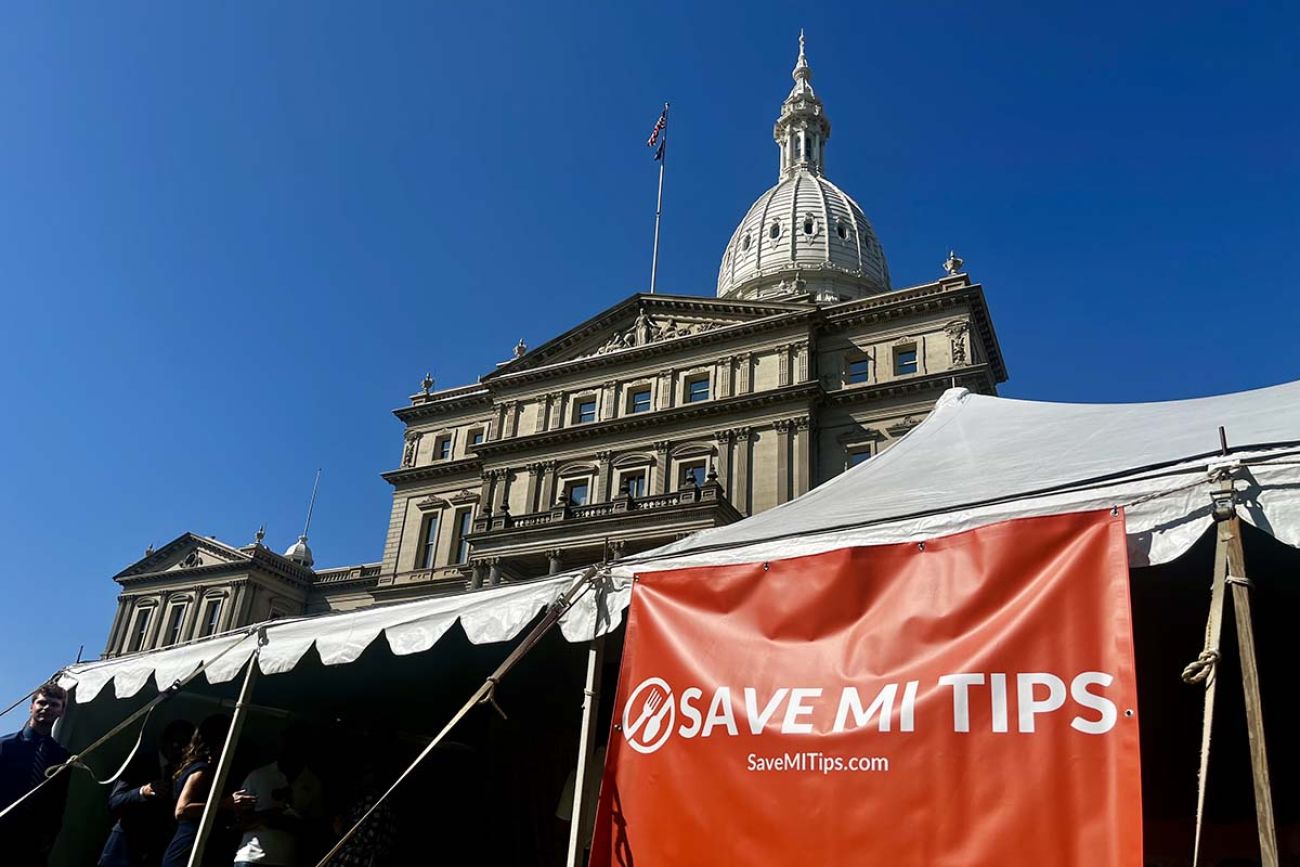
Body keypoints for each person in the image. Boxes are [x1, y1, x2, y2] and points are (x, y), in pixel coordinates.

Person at [98, 718, 195, 867]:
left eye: (185, 746)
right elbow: (114, 802)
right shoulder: (141, 762)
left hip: (156, 849)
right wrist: (143, 792)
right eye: (175, 743)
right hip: (125, 846)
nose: (179, 750)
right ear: (164, 740)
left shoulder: (186, 771)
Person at [161, 715, 254, 867]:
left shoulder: (208, 770)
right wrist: (225, 803)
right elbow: (182, 810)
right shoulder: (201, 770)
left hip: (200, 848)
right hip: (188, 849)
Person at [232, 724, 325, 866]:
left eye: (298, 746)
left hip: (286, 859)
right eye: (288, 745)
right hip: (251, 856)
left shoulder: (312, 782)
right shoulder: (259, 776)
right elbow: (236, 820)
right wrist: (267, 817)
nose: (291, 751)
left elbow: (315, 826)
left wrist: (288, 822)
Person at [0, 682, 71, 866]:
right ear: (31, 707)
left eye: (54, 705)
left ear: (61, 712)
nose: (46, 708)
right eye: (42, 703)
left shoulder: (62, 757)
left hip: (33, 844)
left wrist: (50, 838)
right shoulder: (5, 746)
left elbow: (58, 803)